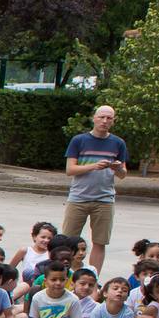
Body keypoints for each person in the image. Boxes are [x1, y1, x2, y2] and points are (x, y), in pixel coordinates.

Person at [62, 106, 129, 270]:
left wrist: (117, 168)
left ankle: (93, 278)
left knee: (100, 242)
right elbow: (70, 170)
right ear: (94, 118)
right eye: (102, 117)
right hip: (78, 197)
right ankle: (70, 274)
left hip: (104, 199)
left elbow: (123, 174)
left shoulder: (118, 143)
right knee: (68, 241)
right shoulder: (79, 140)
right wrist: (93, 166)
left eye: (109, 118)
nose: (105, 121)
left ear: (113, 121)